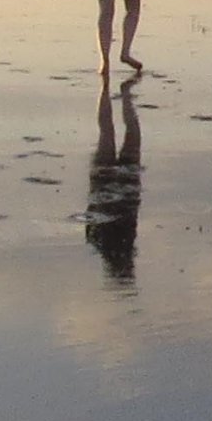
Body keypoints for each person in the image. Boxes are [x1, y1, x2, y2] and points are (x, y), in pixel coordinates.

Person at [85, 68, 143, 283]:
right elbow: (91, 214)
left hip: (125, 186)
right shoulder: (96, 240)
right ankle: (120, 95)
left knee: (126, 134)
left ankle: (124, 97)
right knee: (107, 133)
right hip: (106, 185)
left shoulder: (103, 240)